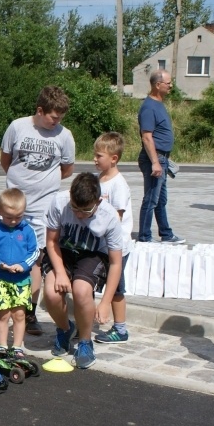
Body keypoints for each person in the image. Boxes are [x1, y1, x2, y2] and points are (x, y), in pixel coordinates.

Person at [0, 86, 75, 336]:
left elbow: (67, 169)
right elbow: (6, 161)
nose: (57, 121)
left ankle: (28, 309)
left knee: (35, 257)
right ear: (40, 111)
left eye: (61, 118)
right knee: (1, 249)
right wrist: (20, 185)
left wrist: (43, 185)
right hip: (14, 204)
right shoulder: (17, 127)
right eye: (53, 117)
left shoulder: (65, 136)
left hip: (43, 208)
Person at [42, 173, 123, 369]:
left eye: (86, 210)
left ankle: (86, 342)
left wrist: (105, 303)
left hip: (93, 254)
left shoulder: (109, 216)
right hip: (63, 251)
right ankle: (64, 329)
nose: (79, 215)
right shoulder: (59, 202)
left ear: (98, 200)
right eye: (74, 208)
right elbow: (52, 241)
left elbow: (115, 263)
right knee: (51, 293)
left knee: (81, 290)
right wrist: (60, 272)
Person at [0, 189, 38, 354]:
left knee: (19, 315)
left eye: (18, 217)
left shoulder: (28, 230)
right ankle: (2, 345)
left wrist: (24, 265)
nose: (13, 221)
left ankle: (18, 346)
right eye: (8, 217)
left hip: (22, 281)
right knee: (3, 315)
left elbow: (34, 252)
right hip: (2, 279)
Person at [93, 132, 133, 344]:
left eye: (99, 156)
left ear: (114, 158)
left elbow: (117, 216)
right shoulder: (99, 179)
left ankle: (121, 328)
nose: (95, 159)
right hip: (101, 244)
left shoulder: (118, 184)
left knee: (116, 287)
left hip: (117, 246)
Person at [136, 69, 184, 245]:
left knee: (161, 199)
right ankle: (144, 237)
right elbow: (147, 137)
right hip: (154, 160)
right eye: (168, 83)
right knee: (151, 199)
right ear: (157, 85)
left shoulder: (159, 103)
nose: (171, 85)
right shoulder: (148, 107)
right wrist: (155, 162)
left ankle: (166, 234)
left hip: (162, 158)